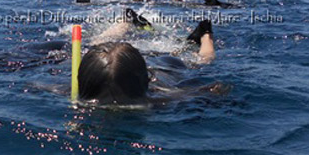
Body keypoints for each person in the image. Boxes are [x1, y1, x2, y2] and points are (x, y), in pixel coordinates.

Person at [77, 19, 223, 105]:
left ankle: (205, 34)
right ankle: (125, 22)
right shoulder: (158, 101)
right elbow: (215, 89)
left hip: (169, 64)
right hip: (142, 63)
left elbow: (213, 89)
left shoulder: (163, 97)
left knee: (203, 61)